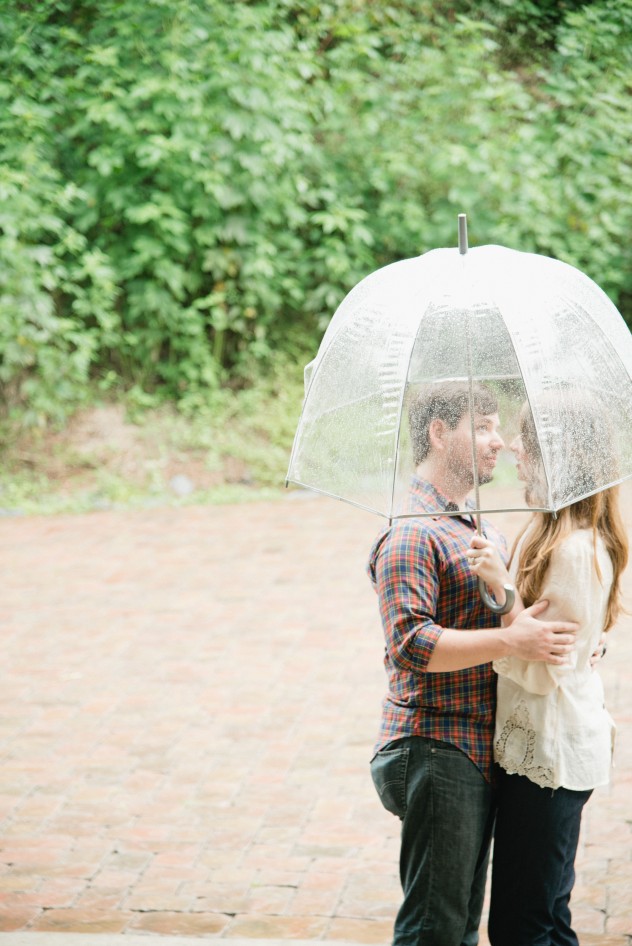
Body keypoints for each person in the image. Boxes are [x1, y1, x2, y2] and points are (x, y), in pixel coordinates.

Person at [368, 381, 578, 946]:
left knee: (460, 926)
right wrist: (515, 643)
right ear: (439, 433)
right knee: (434, 929)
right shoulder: (412, 533)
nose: (498, 442)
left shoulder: (480, 529)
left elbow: (518, 616)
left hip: (473, 749)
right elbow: (412, 644)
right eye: (482, 427)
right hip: (434, 744)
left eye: (497, 427)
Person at [468, 396, 628, 946]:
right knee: (540, 917)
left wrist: (500, 588)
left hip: (552, 755)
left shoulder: (576, 550)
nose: (513, 447)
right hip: (534, 747)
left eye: (527, 441)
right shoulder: (546, 532)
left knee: (523, 924)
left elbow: (545, 667)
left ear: (560, 457)